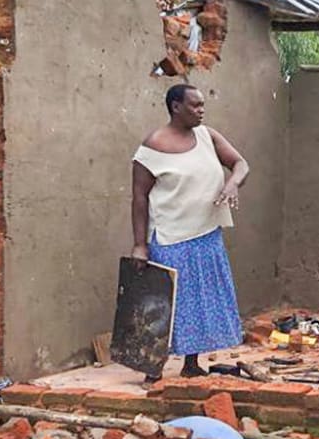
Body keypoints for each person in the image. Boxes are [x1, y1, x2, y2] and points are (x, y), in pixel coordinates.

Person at [131, 84, 249, 386]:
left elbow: (240, 163)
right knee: (166, 304)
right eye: (195, 105)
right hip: (171, 236)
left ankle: (191, 364)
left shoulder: (208, 136)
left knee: (199, 301)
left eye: (202, 105)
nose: (201, 110)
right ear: (175, 107)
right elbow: (139, 198)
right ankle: (152, 367)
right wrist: (140, 245)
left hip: (206, 234)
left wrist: (233, 182)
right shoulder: (152, 147)